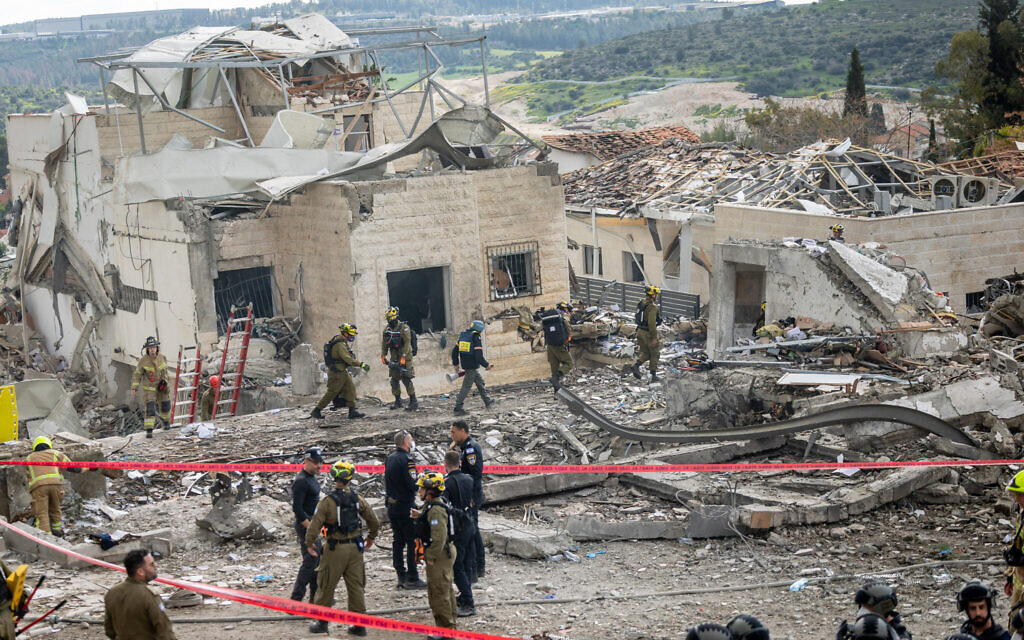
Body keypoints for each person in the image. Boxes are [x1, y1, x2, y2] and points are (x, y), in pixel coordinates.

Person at [306, 460, 380, 636]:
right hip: (355, 549)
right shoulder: (357, 498)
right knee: (356, 586)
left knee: (326, 584)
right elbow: (373, 520)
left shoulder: (327, 501)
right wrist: (371, 537)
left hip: (334, 549)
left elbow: (314, 526)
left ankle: (322, 622)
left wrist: (309, 543)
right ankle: (359, 625)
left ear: (334, 477)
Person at [411, 472, 457, 637]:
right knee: (445, 589)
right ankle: (449, 626)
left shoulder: (436, 509)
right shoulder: (433, 504)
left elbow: (439, 538)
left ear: (430, 490)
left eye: (421, 489)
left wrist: (429, 556)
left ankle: (446, 631)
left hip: (440, 555)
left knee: (439, 592)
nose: (419, 492)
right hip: (443, 553)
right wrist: (420, 516)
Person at [104, 548, 177, 640]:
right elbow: (163, 629)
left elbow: (109, 630)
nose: (156, 566)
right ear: (140, 572)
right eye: (151, 564)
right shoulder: (149, 594)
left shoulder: (112, 592)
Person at [385, 430, 426, 590]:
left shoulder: (390, 458)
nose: (413, 442)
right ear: (405, 443)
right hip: (405, 506)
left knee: (398, 540)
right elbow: (412, 484)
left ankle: (400, 575)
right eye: (411, 440)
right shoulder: (407, 461)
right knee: (412, 541)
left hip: (392, 506)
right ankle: (412, 577)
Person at [25, 436, 81, 537]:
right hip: (56, 485)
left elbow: (28, 475)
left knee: (42, 513)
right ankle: (57, 532)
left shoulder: (29, 458)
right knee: (55, 508)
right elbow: (73, 467)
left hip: (38, 488)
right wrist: (90, 467)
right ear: (49, 444)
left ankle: (46, 537)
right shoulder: (55, 453)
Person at [442, 450, 476, 617]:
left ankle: (468, 601)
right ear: (460, 463)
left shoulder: (446, 483)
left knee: (457, 565)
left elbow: (444, 506)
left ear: (445, 463)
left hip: (457, 527)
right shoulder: (468, 479)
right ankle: (465, 595)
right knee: (467, 562)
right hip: (469, 523)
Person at [311, 323, 369, 421]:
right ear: (345, 334)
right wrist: (361, 364)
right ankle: (317, 410)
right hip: (337, 372)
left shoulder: (341, 341)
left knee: (350, 388)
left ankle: (352, 411)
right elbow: (347, 359)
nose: (352, 336)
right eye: (350, 334)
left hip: (342, 370)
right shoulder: (339, 344)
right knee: (332, 392)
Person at [450, 420, 485, 581]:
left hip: (472, 495)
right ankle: (475, 565)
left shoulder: (471, 449)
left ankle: (479, 566)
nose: (452, 436)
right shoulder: (464, 448)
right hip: (468, 495)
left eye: (454, 432)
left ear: (463, 431)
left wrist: (471, 497)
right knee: (471, 529)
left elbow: (474, 475)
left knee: (473, 530)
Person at [290, 447, 323, 603]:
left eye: (321, 462)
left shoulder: (312, 477)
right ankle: (296, 599)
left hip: (314, 524)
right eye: (316, 463)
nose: (319, 466)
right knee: (310, 561)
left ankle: (314, 597)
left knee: (317, 561)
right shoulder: (301, 481)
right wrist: (310, 528)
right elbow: (297, 509)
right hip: (306, 526)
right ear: (307, 461)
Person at [836, 581, 911, 640]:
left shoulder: (896, 633)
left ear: (882, 607)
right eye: (861, 606)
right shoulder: (859, 629)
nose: (861, 611)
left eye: (866, 606)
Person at [450, 320, 493, 416]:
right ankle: (458, 408)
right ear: (479, 329)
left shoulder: (464, 335)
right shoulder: (475, 337)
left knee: (480, 382)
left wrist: (456, 363)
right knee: (466, 387)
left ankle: (488, 402)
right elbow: (478, 356)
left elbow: (454, 352)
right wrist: (486, 365)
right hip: (472, 365)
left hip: (466, 364)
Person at [132, 336, 171, 438]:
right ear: (147, 349)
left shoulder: (162, 358)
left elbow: (166, 372)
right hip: (149, 389)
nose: (153, 349)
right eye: (150, 348)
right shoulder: (143, 361)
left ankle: (166, 423)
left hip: (162, 386)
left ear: (157, 348)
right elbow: (137, 374)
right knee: (150, 409)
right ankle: (149, 430)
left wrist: (166, 383)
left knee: (166, 405)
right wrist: (134, 387)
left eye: (154, 347)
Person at [381, 306, 418, 411]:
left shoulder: (404, 328)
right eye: (388, 319)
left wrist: (404, 357)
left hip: (405, 355)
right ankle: (398, 401)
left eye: (391, 319)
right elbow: (384, 344)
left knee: (406, 378)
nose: (389, 321)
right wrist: (383, 355)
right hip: (394, 356)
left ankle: (413, 400)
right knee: (394, 379)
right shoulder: (387, 330)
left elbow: (407, 343)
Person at [631, 284, 662, 382]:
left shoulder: (642, 302)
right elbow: (651, 323)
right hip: (648, 334)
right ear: (653, 295)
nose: (657, 296)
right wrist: (653, 338)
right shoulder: (652, 307)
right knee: (655, 354)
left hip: (640, 331)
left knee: (645, 353)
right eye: (656, 294)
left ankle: (635, 365)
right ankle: (653, 376)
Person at [1004, 471, 1024, 620]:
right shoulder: (1022, 515)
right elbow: (1017, 545)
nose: (1017, 499)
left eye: (1021, 494)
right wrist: (1010, 576)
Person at [542, 301, 573, 391]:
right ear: (565, 309)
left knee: (554, 369)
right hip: (559, 345)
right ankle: (556, 378)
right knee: (569, 363)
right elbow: (568, 328)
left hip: (550, 345)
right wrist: (567, 340)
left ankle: (557, 392)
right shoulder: (563, 316)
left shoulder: (548, 318)